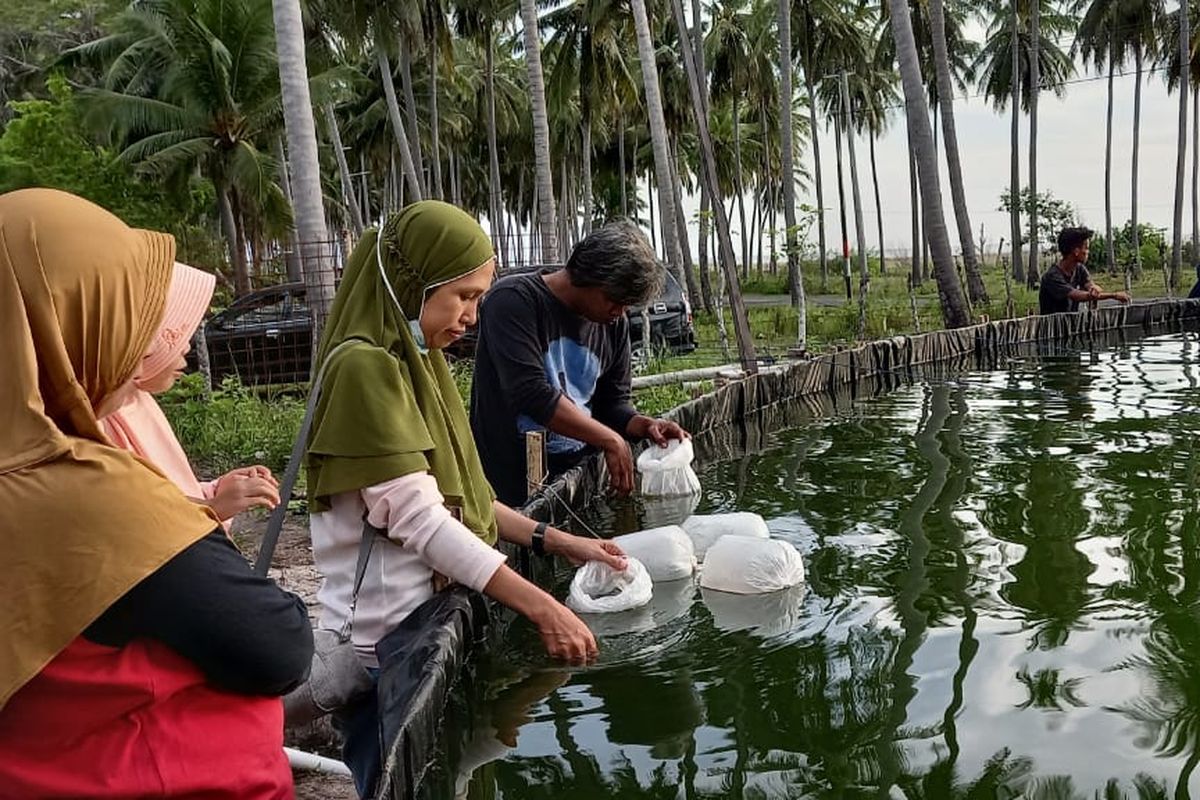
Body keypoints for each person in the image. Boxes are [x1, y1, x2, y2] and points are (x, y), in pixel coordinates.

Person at [304, 200, 627, 797]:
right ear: (412, 282)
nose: (473, 317)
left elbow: (465, 500)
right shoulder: (365, 369)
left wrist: (562, 541)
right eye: (463, 297)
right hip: (389, 647)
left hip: (428, 626)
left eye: (480, 298)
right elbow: (423, 522)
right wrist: (541, 606)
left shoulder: (415, 362)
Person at [0, 188, 313, 798]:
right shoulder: (85, 495)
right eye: (124, 313)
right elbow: (277, 647)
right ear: (66, 321)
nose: (145, 344)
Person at [470, 221, 689, 507]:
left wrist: (643, 425)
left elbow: (611, 406)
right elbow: (531, 394)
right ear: (588, 277)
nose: (619, 312)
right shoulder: (513, 301)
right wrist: (610, 440)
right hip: (507, 488)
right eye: (614, 300)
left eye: (626, 306)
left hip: (574, 484)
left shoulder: (614, 325)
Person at [100, 261, 281, 524]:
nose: (185, 348)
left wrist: (213, 490)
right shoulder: (103, 416)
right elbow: (132, 515)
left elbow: (165, 492)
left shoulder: (136, 400)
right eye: (173, 330)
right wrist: (211, 507)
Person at [1039, 226, 1131, 315]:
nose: (1088, 252)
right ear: (1076, 251)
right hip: (1052, 328)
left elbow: (1089, 285)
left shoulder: (1079, 268)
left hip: (1069, 326)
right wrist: (1114, 295)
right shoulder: (1052, 276)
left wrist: (1094, 288)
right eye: (1086, 248)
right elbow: (1076, 296)